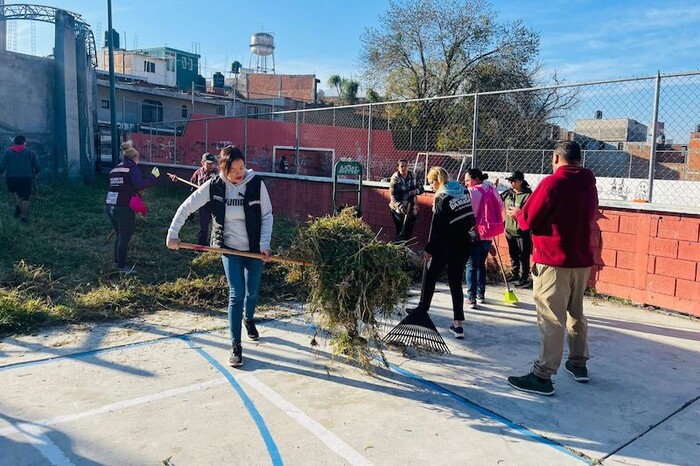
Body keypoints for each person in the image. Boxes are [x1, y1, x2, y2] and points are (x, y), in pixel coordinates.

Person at [166, 145, 273, 368]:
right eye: (234, 169)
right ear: (223, 169)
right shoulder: (214, 185)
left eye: (242, 167)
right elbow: (187, 206)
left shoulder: (256, 183)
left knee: (252, 292)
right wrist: (173, 234)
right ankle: (236, 345)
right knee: (237, 294)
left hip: (254, 249)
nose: (239, 173)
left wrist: (264, 244)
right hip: (229, 249)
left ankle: (249, 318)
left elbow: (267, 215)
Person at [507, 141, 598, 396]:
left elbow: (529, 220)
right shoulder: (589, 184)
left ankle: (542, 375)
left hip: (553, 260)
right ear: (580, 159)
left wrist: (518, 214)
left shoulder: (551, 183)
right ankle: (578, 363)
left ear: (556, 157)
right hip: (581, 261)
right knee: (576, 312)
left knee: (551, 317)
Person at [408, 167, 475, 339]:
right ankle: (458, 324)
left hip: (446, 246)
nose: (431, 187)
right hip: (464, 244)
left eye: (431, 182)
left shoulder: (442, 198)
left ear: (438, 180)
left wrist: (429, 250)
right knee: (455, 283)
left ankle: (423, 310)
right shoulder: (463, 192)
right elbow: (470, 218)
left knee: (429, 275)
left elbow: (437, 228)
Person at [105, 140, 160, 274]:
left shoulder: (115, 169)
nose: (138, 161)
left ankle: (116, 262)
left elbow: (121, 187)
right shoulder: (132, 168)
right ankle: (122, 267)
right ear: (135, 158)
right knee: (125, 237)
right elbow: (139, 184)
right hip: (124, 207)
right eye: (138, 158)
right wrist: (153, 177)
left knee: (119, 234)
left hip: (110, 205)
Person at [463, 168, 504, 308]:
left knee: (471, 265)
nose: (465, 183)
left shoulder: (472, 192)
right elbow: (501, 206)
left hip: (474, 233)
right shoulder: (492, 189)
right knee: (481, 263)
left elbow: (466, 211)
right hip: (488, 233)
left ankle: (471, 297)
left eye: (467, 180)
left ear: (476, 179)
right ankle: (481, 295)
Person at [169, 152, 219, 245]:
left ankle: (215, 248)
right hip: (203, 205)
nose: (211, 166)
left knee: (216, 228)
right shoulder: (198, 173)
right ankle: (201, 247)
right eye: (209, 163)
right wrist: (178, 181)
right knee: (203, 227)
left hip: (216, 204)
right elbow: (191, 189)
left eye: (213, 163)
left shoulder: (218, 174)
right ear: (202, 162)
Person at [500, 171, 533, 288]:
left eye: (514, 181)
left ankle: (524, 277)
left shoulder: (528, 195)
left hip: (521, 232)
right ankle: (514, 274)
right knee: (513, 254)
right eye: (510, 181)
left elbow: (529, 212)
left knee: (524, 256)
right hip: (509, 230)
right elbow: (497, 200)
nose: (511, 183)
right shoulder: (508, 193)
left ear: (521, 181)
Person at [0, 135, 40, 223]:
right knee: (26, 198)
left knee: (13, 193)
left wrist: (1, 173)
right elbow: (38, 166)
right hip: (25, 178)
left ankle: (18, 207)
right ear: (24, 142)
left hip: (11, 178)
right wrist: (35, 173)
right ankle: (23, 218)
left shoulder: (8, 152)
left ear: (14, 142)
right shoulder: (30, 152)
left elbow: (2, 166)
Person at [388, 159, 424, 242]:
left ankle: (406, 250)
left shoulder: (414, 176)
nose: (404, 168)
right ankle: (398, 250)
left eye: (406, 166)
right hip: (398, 209)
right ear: (398, 168)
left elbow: (421, 189)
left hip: (412, 208)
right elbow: (393, 196)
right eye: (402, 166)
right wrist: (400, 207)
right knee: (400, 231)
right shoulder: (395, 178)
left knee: (408, 232)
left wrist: (414, 192)